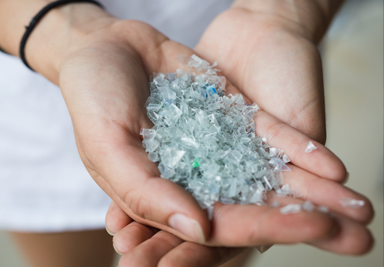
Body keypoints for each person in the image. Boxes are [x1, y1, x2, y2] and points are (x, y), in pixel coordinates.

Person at [0, 0, 374, 266]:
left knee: (219, 237)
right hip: (36, 116)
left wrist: (283, 11)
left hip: (241, 50)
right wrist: (64, 32)